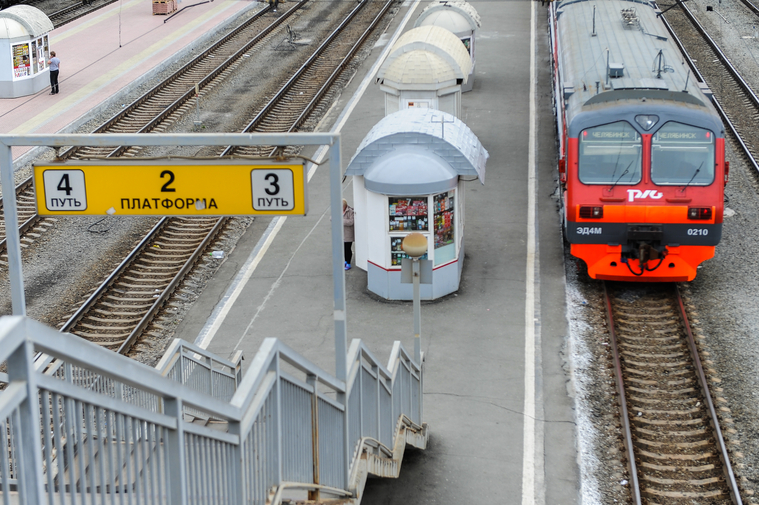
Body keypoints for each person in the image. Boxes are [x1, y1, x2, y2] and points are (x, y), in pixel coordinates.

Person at [343, 199, 354, 271]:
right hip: (340, 233)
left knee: (347, 248)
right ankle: (345, 261)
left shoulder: (350, 211)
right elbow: (331, 218)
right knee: (343, 249)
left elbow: (351, 222)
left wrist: (341, 220)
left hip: (348, 233)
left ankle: (348, 263)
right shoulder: (337, 210)